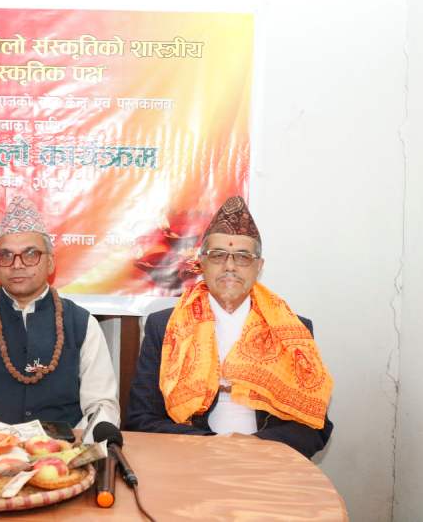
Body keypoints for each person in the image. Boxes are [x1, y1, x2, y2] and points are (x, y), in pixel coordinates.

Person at [126, 196, 333, 458]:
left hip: (267, 461)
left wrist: (253, 448)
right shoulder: (165, 326)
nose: (230, 266)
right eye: (218, 255)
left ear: (259, 266)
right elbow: (141, 418)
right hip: (190, 458)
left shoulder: (293, 330)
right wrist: (212, 446)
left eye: (243, 257)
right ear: (201, 263)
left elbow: (315, 425)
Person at [0, 196, 120, 429]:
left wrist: (74, 445)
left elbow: (102, 406)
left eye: (31, 254)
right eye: (6, 255)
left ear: (50, 263)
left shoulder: (82, 324)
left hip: (67, 448)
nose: (17, 264)